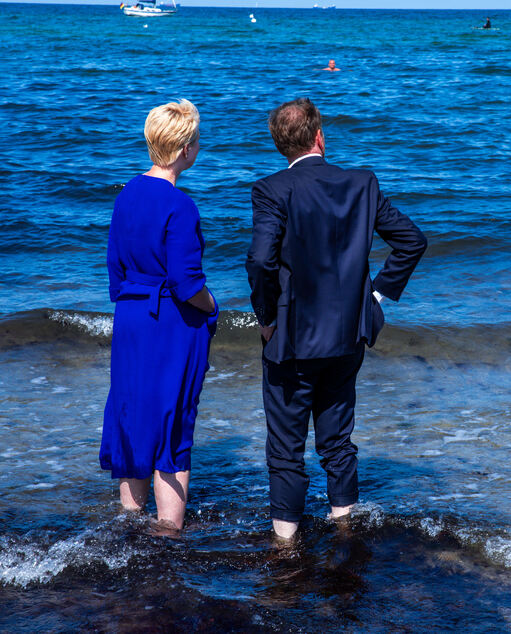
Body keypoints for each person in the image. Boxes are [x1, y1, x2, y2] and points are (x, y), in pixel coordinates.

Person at [246, 98, 427, 540]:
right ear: (319, 137)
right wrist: (375, 298)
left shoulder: (272, 190)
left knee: (287, 452)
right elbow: (411, 241)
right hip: (347, 336)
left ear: (280, 145)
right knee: (338, 442)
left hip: (291, 340)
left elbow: (259, 262)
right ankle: (345, 531)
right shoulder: (362, 184)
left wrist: (266, 317)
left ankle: (285, 548)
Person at [100, 99, 218, 532]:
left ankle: (130, 526)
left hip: (130, 317)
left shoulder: (126, 194)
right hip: (168, 322)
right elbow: (188, 284)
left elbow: (115, 272)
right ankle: (168, 534)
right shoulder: (180, 205)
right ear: (185, 148)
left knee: (132, 415)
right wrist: (212, 307)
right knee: (173, 419)